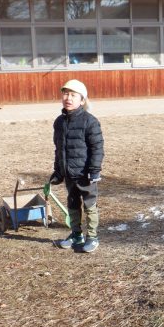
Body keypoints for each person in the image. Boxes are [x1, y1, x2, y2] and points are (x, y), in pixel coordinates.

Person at [48, 79, 104, 253]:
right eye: (65, 94)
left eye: (73, 95)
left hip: (85, 174)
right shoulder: (59, 122)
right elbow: (59, 149)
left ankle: (92, 237)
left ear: (82, 100)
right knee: (72, 203)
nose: (68, 98)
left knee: (89, 205)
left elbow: (97, 148)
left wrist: (94, 171)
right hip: (69, 173)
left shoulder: (90, 121)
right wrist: (58, 171)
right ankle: (76, 234)